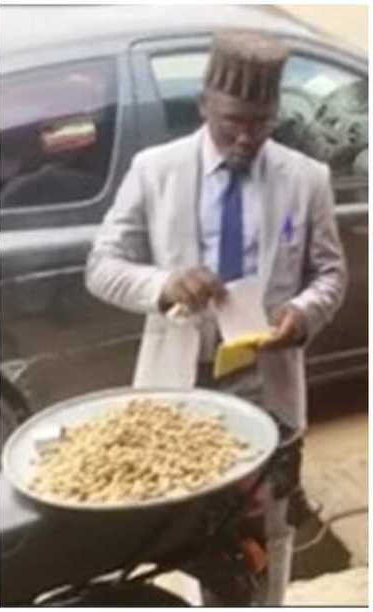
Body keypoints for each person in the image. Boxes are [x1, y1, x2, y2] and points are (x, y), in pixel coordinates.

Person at [85, 30, 347, 604]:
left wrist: (301, 316)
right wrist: (162, 284)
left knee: (268, 532)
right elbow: (101, 266)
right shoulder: (156, 170)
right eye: (233, 121)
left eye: (261, 121)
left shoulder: (307, 179)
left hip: (265, 386)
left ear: (277, 113)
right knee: (195, 532)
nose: (247, 136)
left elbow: (331, 275)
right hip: (181, 384)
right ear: (205, 104)